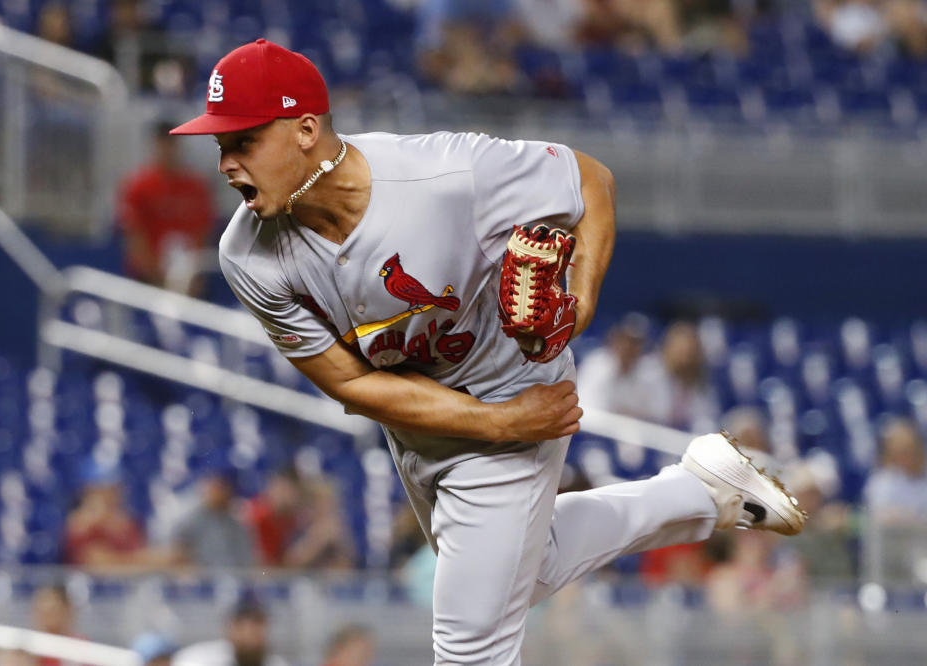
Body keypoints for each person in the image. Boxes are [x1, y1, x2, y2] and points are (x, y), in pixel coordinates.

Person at [171, 39, 805, 665]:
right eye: (222, 145)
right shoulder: (246, 255)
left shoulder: (445, 177)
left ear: (306, 129)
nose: (226, 163)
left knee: (471, 644)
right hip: (428, 425)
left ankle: (704, 493)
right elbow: (350, 384)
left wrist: (575, 309)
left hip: (514, 387)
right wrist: (495, 424)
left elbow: (591, 181)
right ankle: (704, 492)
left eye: (243, 141)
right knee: (524, 573)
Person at [116, 121, 217, 294]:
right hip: (148, 280)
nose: (167, 150)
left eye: (171, 144)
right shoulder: (139, 186)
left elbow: (204, 232)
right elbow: (134, 236)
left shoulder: (196, 187)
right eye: (162, 144)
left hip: (189, 278)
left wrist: (194, 277)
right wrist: (157, 278)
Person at [167, 458, 257, 568]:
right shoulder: (189, 520)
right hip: (199, 582)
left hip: (233, 580)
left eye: (221, 486)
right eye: (212, 484)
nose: (212, 489)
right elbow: (173, 557)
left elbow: (248, 564)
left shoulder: (237, 526)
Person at [171, 593, 289, 666]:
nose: (250, 632)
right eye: (242, 624)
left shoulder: (276, 663)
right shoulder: (198, 657)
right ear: (230, 627)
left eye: (257, 623)